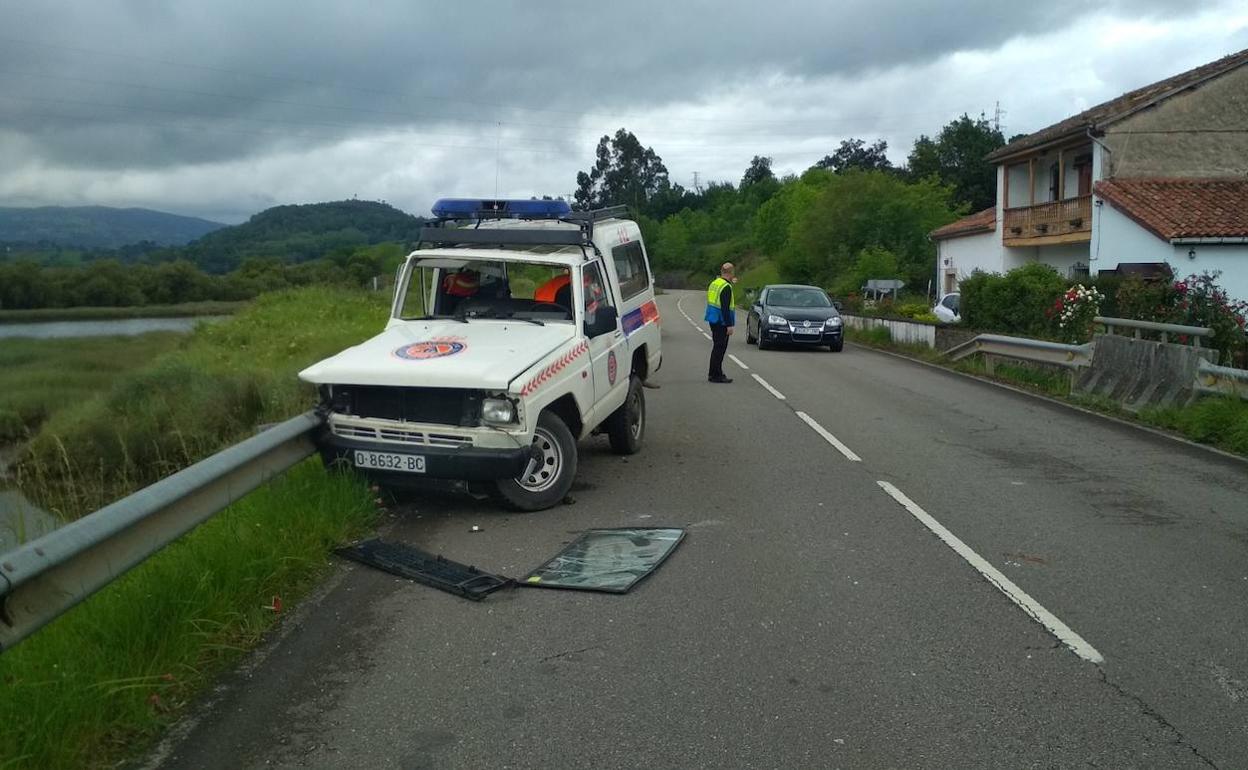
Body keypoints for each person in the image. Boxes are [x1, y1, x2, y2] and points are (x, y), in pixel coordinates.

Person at [704, 262, 737, 383]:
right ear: (731, 272)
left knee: (717, 347)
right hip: (721, 321)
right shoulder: (726, 287)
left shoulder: (715, 283)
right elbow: (725, 308)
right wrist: (729, 325)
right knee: (720, 348)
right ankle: (715, 374)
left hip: (713, 319)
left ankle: (715, 372)